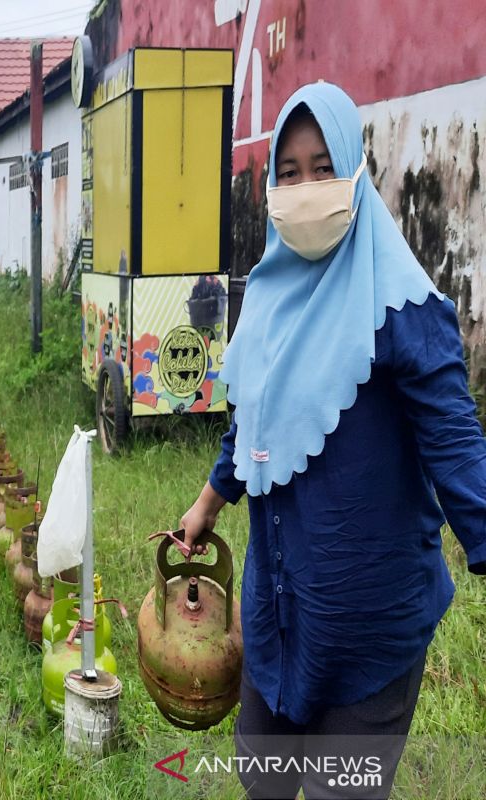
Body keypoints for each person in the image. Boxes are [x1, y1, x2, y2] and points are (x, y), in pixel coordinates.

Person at [179, 82, 486, 799]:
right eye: (288, 173)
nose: (306, 188)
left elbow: (456, 445)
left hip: (368, 627)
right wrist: (207, 503)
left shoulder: (404, 309)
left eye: (324, 167)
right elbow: (253, 422)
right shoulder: (268, 299)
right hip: (277, 618)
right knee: (263, 785)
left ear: (354, 173)